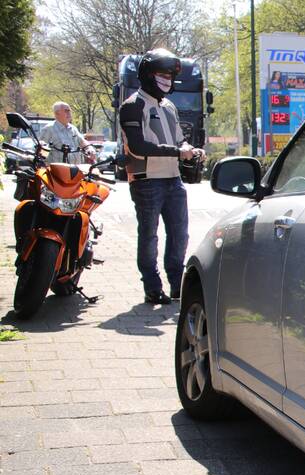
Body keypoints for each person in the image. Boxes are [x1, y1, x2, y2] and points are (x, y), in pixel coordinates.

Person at [118, 48, 205, 305]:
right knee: (149, 235)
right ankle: (152, 287)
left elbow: (179, 140)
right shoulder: (133, 106)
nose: (167, 79)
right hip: (146, 180)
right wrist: (177, 152)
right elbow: (137, 146)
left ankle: (177, 285)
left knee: (180, 235)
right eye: (161, 74)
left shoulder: (169, 106)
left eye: (170, 75)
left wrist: (191, 149)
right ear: (146, 74)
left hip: (173, 179)